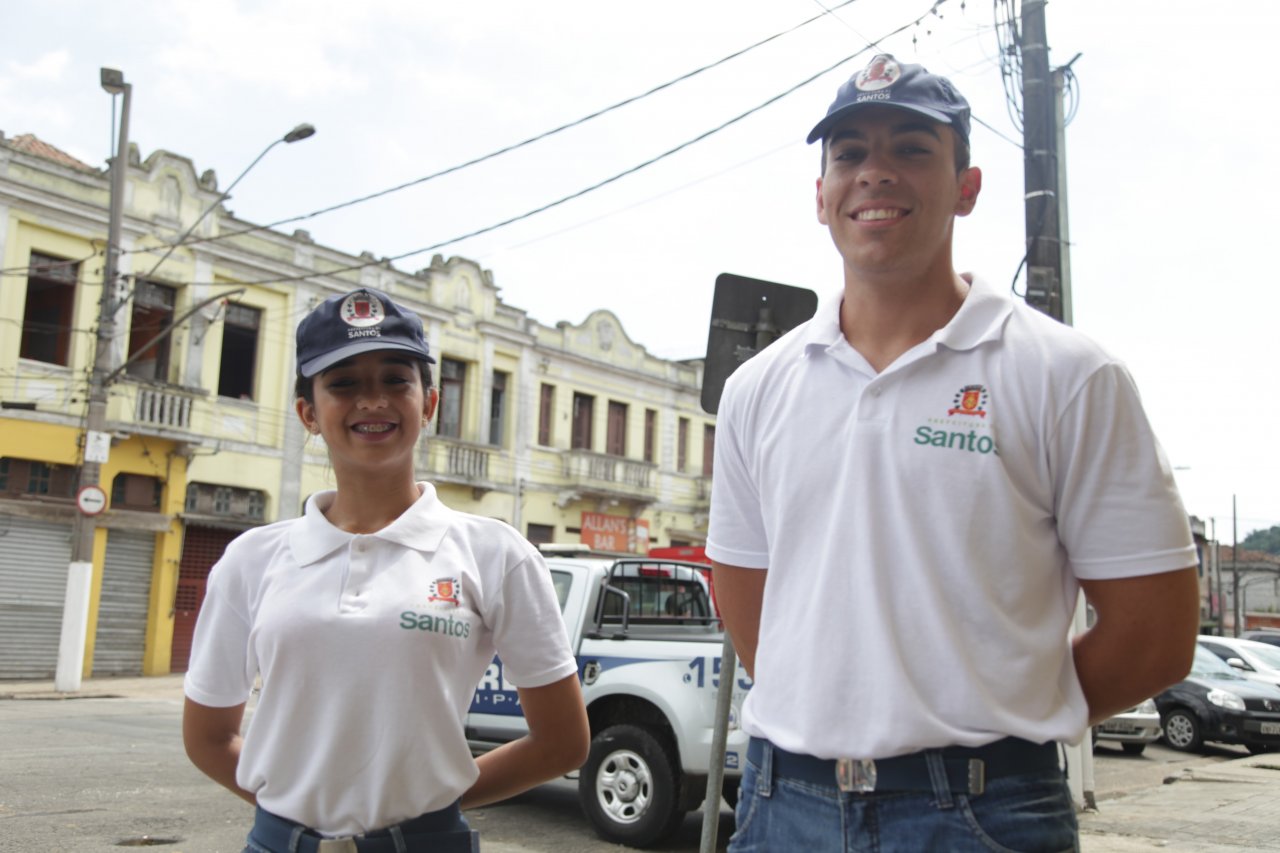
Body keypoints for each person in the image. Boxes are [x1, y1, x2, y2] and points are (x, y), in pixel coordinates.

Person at [706, 54, 1200, 852]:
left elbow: (1155, 633)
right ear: (822, 193)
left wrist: (996, 708)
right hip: (781, 807)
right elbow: (754, 614)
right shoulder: (758, 387)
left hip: (983, 814)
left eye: (910, 149)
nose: (875, 173)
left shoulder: (1068, 375)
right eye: (850, 154)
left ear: (966, 187)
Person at [183, 287, 589, 853]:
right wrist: (297, 808)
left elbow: (563, 743)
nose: (372, 401)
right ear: (308, 412)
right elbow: (207, 737)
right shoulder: (252, 559)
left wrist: (428, 804)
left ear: (429, 403)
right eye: (343, 384)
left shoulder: (496, 553)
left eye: (396, 379)